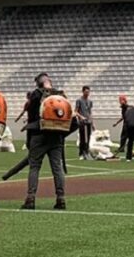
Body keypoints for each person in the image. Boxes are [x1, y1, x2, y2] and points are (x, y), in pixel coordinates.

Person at [22, 73, 68, 211]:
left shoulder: (35, 95)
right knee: (57, 168)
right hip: (56, 136)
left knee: (34, 167)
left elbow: (30, 115)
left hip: (38, 134)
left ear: (38, 83)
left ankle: (30, 198)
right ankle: (61, 198)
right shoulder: (60, 96)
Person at [75, 86, 94, 160]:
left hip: (88, 122)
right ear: (83, 92)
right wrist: (81, 117)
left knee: (88, 138)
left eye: (88, 92)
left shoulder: (90, 102)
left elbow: (90, 112)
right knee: (82, 138)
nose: (87, 93)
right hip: (82, 122)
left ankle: (87, 152)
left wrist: (92, 123)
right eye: (86, 92)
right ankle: (81, 153)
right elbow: (76, 111)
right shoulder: (79, 100)